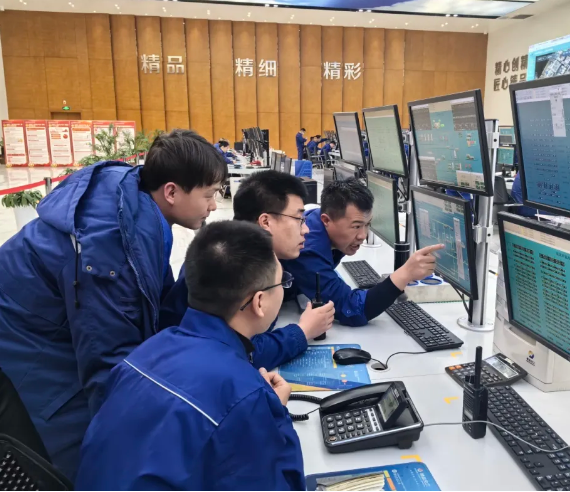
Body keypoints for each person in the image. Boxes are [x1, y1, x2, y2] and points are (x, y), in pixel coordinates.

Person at [0, 129, 227, 479]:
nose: (213, 206)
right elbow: (108, 360)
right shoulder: (110, 248)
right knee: (86, 457)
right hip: (27, 341)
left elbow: (154, 306)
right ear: (171, 192)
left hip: (50, 321)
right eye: (209, 195)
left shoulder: (138, 207)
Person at [76, 221, 305, 490]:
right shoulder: (247, 398)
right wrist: (275, 415)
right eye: (282, 282)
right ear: (259, 302)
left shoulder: (145, 352)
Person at [160, 171, 335, 370]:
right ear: (265, 222)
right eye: (299, 219)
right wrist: (303, 332)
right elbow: (241, 353)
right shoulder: (229, 266)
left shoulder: (231, 247)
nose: (306, 230)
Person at [282, 179, 444, 326]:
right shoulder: (307, 248)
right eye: (356, 226)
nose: (363, 235)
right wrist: (405, 274)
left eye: (367, 224)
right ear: (326, 220)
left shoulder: (319, 220)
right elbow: (352, 309)